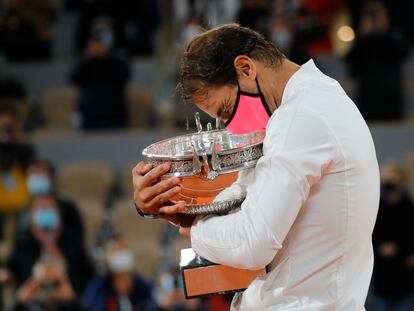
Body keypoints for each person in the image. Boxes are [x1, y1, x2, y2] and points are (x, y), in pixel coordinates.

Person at [132, 23, 380, 309]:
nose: (229, 126)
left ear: (246, 69)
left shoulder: (301, 117)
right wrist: (165, 202)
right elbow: (243, 202)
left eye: (226, 110)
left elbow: (253, 242)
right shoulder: (308, 106)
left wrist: (195, 230)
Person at [5, 194, 93, 295]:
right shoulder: (24, 243)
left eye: (49, 207)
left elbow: (88, 277)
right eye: (40, 207)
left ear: (59, 214)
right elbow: (10, 271)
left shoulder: (73, 244)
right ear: (30, 215)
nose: (45, 211)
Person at [346, 0, 409, 121]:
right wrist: (363, 35)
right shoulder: (363, 41)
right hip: (367, 93)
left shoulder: (393, 37)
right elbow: (351, 60)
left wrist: (385, 30)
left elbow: (403, 53)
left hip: (391, 93)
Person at [69, 17, 130, 130]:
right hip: (89, 117)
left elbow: (125, 75)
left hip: (115, 117)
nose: (102, 40)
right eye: (98, 35)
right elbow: (74, 77)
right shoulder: (85, 58)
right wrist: (88, 56)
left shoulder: (120, 56)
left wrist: (108, 55)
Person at [371, 162, 414, 311]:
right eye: (385, 175)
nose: (387, 179)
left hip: (404, 275)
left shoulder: (409, 206)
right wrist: (379, 248)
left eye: (392, 175)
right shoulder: (376, 206)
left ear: (400, 178)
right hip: (383, 274)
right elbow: (369, 236)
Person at [83, 239, 157, 311]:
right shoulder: (99, 290)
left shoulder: (138, 286)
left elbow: (150, 301)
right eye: (121, 277)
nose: (127, 281)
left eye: (129, 275)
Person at [9, 260, 89, 311]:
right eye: (42, 284)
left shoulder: (68, 306)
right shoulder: (27, 306)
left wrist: (72, 299)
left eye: (54, 283)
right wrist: (18, 301)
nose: (48, 288)